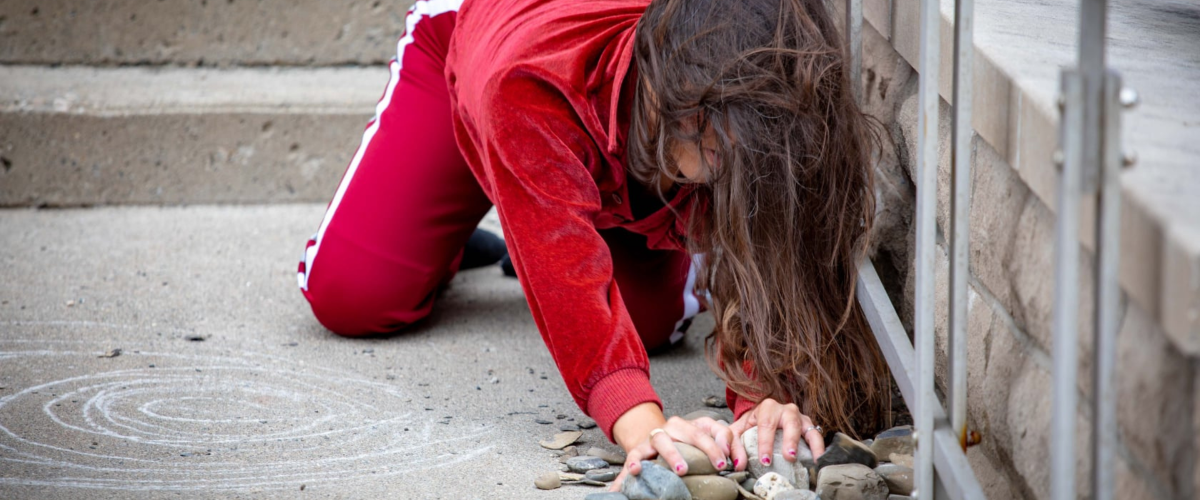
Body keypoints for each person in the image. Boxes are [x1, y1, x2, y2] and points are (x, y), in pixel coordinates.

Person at [296, 0, 891, 488]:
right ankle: (477, 219)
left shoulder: (738, 53)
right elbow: (571, 285)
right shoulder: (524, 81)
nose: (730, 159)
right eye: (714, 147)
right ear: (660, 93)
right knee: (353, 292)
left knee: (650, 326)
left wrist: (765, 396)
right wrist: (645, 430)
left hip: (622, 132)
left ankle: (575, 214)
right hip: (484, 48)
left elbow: (763, 243)